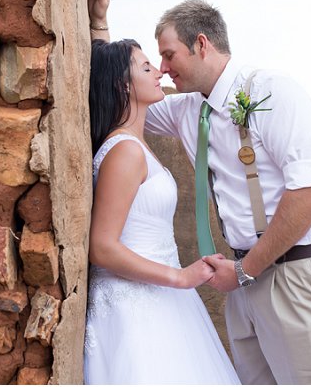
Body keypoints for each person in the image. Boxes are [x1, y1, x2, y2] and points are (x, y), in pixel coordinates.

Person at [88, 0, 311, 384]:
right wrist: (99, 25)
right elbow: (117, 91)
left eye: (169, 55)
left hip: (297, 273)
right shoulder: (185, 110)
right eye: (155, 61)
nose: (162, 68)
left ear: (201, 44)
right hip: (242, 279)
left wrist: (244, 270)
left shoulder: (274, 92)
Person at [84, 36, 241, 381]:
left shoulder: (134, 142)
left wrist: (100, 23)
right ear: (122, 85)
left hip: (160, 297)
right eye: (146, 67)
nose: (159, 72)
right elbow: (102, 247)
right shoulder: (125, 151)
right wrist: (180, 277)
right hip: (133, 306)